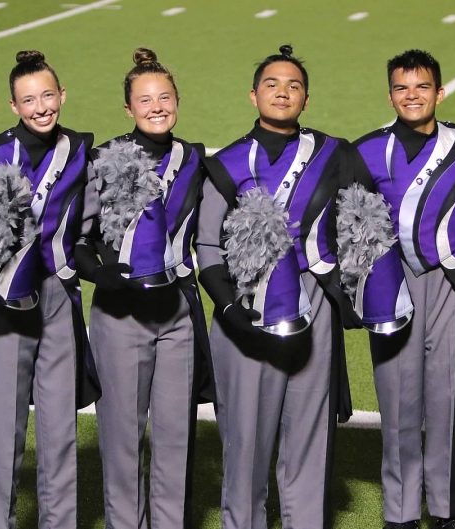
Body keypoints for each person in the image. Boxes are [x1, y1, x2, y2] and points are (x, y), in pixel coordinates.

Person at [195, 44, 354, 529]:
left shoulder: (333, 154)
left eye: (294, 86)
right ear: (253, 96)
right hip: (244, 311)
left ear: (306, 99)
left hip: (314, 307)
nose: (283, 93)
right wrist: (230, 311)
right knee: (245, 443)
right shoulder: (226, 163)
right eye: (272, 84)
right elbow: (206, 247)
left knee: (309, 434)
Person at [0, 50, 99, 529]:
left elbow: (90, 230)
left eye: (48, 95)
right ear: (13, 106)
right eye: (29, 100)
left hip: (58, 301)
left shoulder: (81, 151)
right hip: (3, 303)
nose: (41, 107)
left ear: (62, 95)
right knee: (2, 436)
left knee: (59, 436)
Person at [349, 49, 455, 529]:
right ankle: (401, 513)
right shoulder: (366, 150)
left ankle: (448, 512)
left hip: (449, 283)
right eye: (401, 88)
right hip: (391, 286)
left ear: (440, 91)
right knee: (397, 402)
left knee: (448, 403)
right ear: (390, 94)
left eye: (422, 87)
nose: (412, 96)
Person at [76, 47, 213, 529]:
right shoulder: (102, 160)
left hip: (177, 312)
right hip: (120, 315)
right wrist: (99, 273)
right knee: (122, 436)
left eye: (165, 97)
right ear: (128, 108)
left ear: (177, 101)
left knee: (176, 434)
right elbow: (76, 239)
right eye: (145, 99)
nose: (156, 106)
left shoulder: (195, 158)